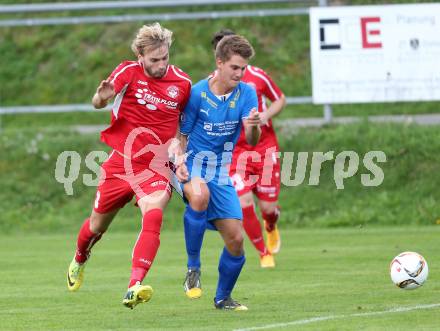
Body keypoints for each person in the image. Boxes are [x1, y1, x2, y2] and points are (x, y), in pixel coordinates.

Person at [66, 22, 192, 309]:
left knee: (154, 212)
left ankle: (134, 285)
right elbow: (99, 101)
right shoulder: (128, 72)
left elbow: (183, 126)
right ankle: (79, 258)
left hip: (156, 165)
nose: (160, 65)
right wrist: (102, 96)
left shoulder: (182, 84)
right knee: (97, 225)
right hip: (121, 162)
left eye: (165, 58)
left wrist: (178, 149)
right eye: (154, 60)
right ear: (140, 57)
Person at [178, 35, 261, 310]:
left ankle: (223, 297)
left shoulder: (247, 93)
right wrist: (178, 162)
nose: (239, 73)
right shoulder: (198, 93)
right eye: (234, 67)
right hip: (192, 163)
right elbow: (182, 134)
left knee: (237, 240)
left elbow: (251, 140)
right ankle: (193, 269)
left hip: (220, 170)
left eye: (243, 68)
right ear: (220, 63)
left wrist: (253, 125)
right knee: (199, 195)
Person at [213, 29, 286, 268]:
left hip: (264, 148)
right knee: (243, 202)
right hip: (235, 153)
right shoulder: (213, 84)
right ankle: (264, 252)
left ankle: (271, 224)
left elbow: (280, 99)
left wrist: (264, 116)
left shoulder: (258, 77)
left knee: (268, 207)